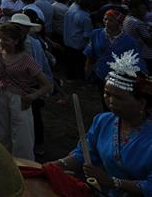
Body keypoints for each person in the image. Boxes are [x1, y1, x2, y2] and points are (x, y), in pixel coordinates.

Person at [52, 50, 151, 196]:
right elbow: (83, 153)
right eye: (107, 94)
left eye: (119, 97)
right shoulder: (103, 121)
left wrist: (112, 182)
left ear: (141, 103)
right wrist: (56, 166)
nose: (110, 101)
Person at [0, 22, 53, 159]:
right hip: (0, 94)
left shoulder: (26, 60)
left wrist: (33, 96)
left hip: (20, 99)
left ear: (16, 41)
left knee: (22, 135)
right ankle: (5, 160)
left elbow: (47, 85)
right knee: (1, 131)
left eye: (5, 39)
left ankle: (23, 165)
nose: (0, 41)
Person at [85, 9, 147, 95]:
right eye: (105, 19)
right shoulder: (96, 34)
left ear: (119, 22)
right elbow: (90, 54)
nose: (106, 22)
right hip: (100, 73)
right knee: (103, 96)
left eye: (111, 20)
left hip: (119, 78)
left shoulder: (129, 40)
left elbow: (136, 59)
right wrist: (87, 71)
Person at [63, 0, 94, 79]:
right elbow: (87, 35)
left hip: (67, 40)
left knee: (70, 62)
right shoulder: (86, 18)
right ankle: (80, 77)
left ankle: (70, 77)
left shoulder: (69, 12)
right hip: (79, 44)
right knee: (80, 63)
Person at [124, 0, 152, 71]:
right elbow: (149, 42)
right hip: (145, 55)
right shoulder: (138, 23)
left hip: (133, 53)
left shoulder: (127, 18)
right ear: (134, 9)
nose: (145, 10)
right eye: (142, 8)